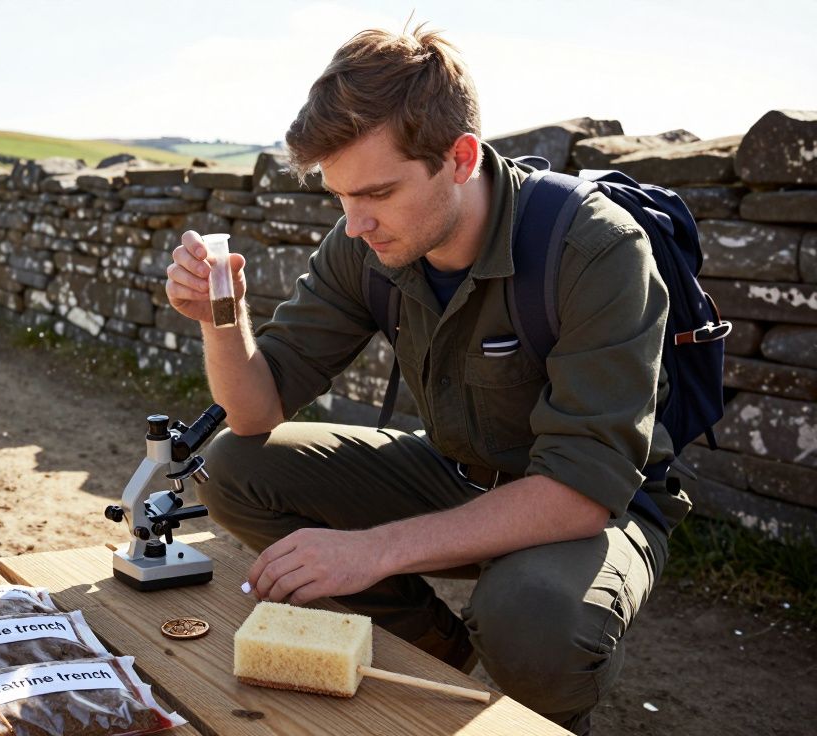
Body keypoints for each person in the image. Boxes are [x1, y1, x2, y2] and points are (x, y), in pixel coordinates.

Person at [164, 26, 689, 734]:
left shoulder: (595, 248)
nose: (354, 224)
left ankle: (547, 719)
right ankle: (435, 651)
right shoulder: (366, 241)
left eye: (377, 191)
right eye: (340, 196)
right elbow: (254, 412)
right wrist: (219, 320)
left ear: (460, 157)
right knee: (233, 466)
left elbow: (581, 492)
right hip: (462, 475)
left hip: (597, 506)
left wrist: (370, 552)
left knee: (529, 618)